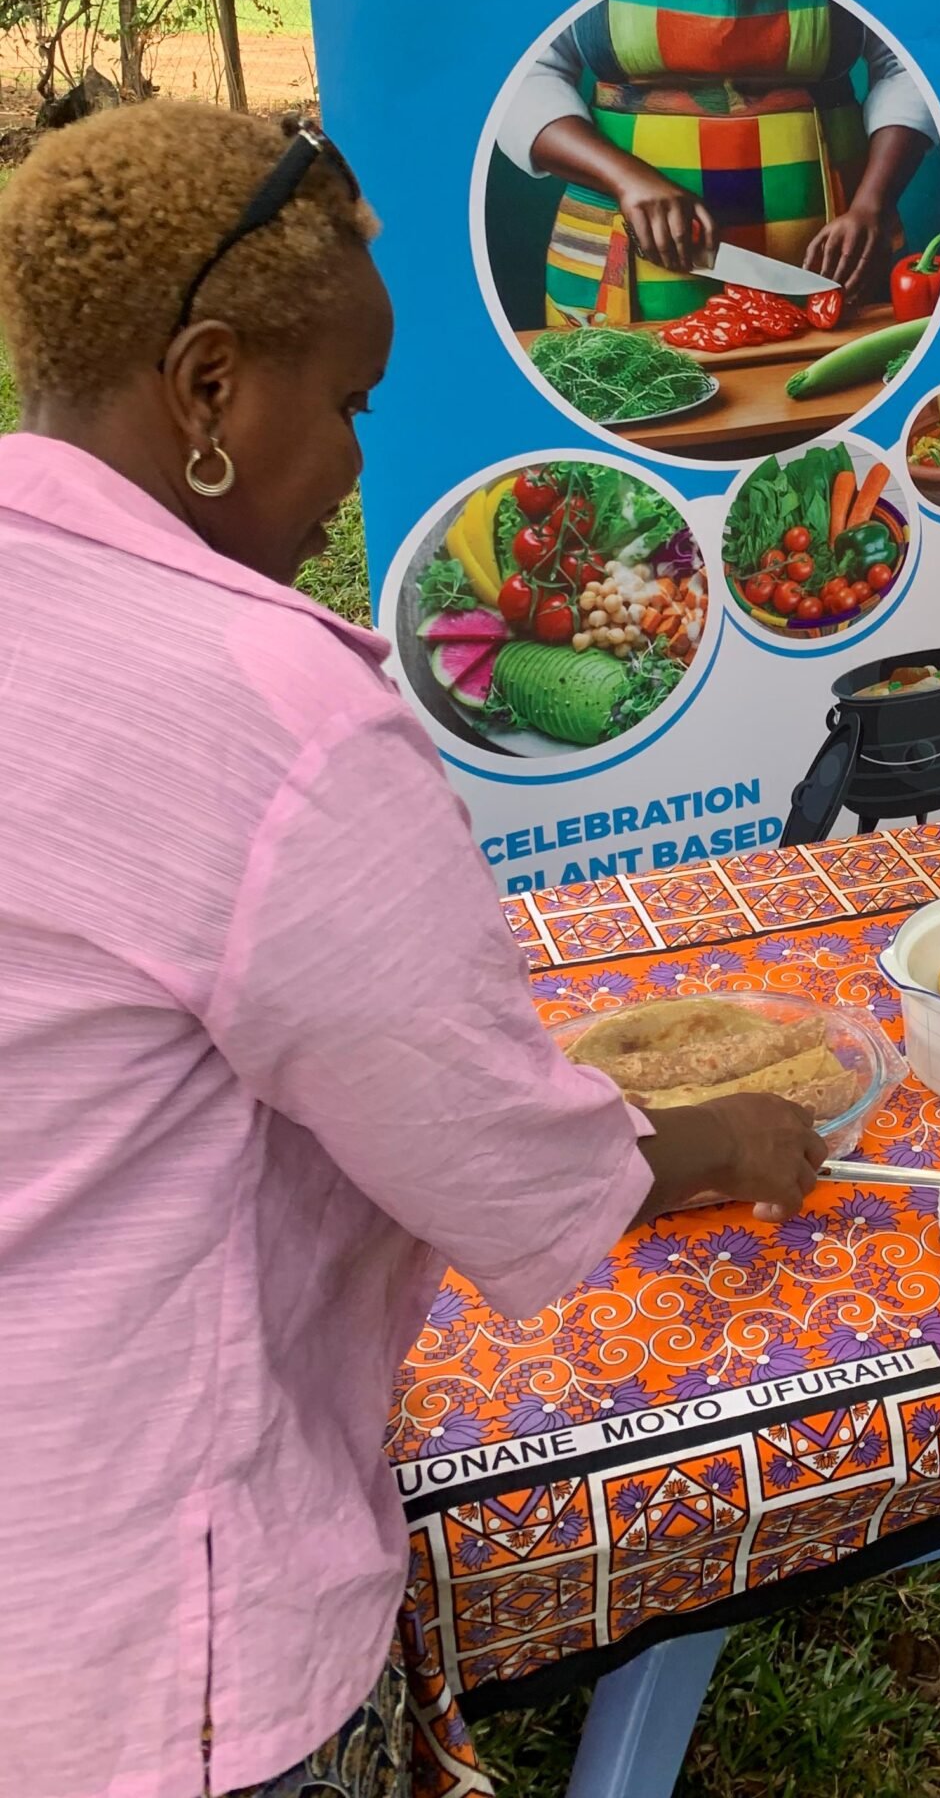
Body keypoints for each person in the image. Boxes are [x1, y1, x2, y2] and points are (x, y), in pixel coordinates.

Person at [0, 105, 825, 1798]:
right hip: (143, 1637)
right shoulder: (268, 711)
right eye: (352, 403)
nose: (363, 464)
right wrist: (733, 1140)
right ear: (211, 386)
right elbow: (488, 1154)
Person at [496, 0, 937, 326]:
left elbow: (909, 63)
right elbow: (520, 75)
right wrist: (625, 179)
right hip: (627, 246)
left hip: (832, 255)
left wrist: (873, 204)